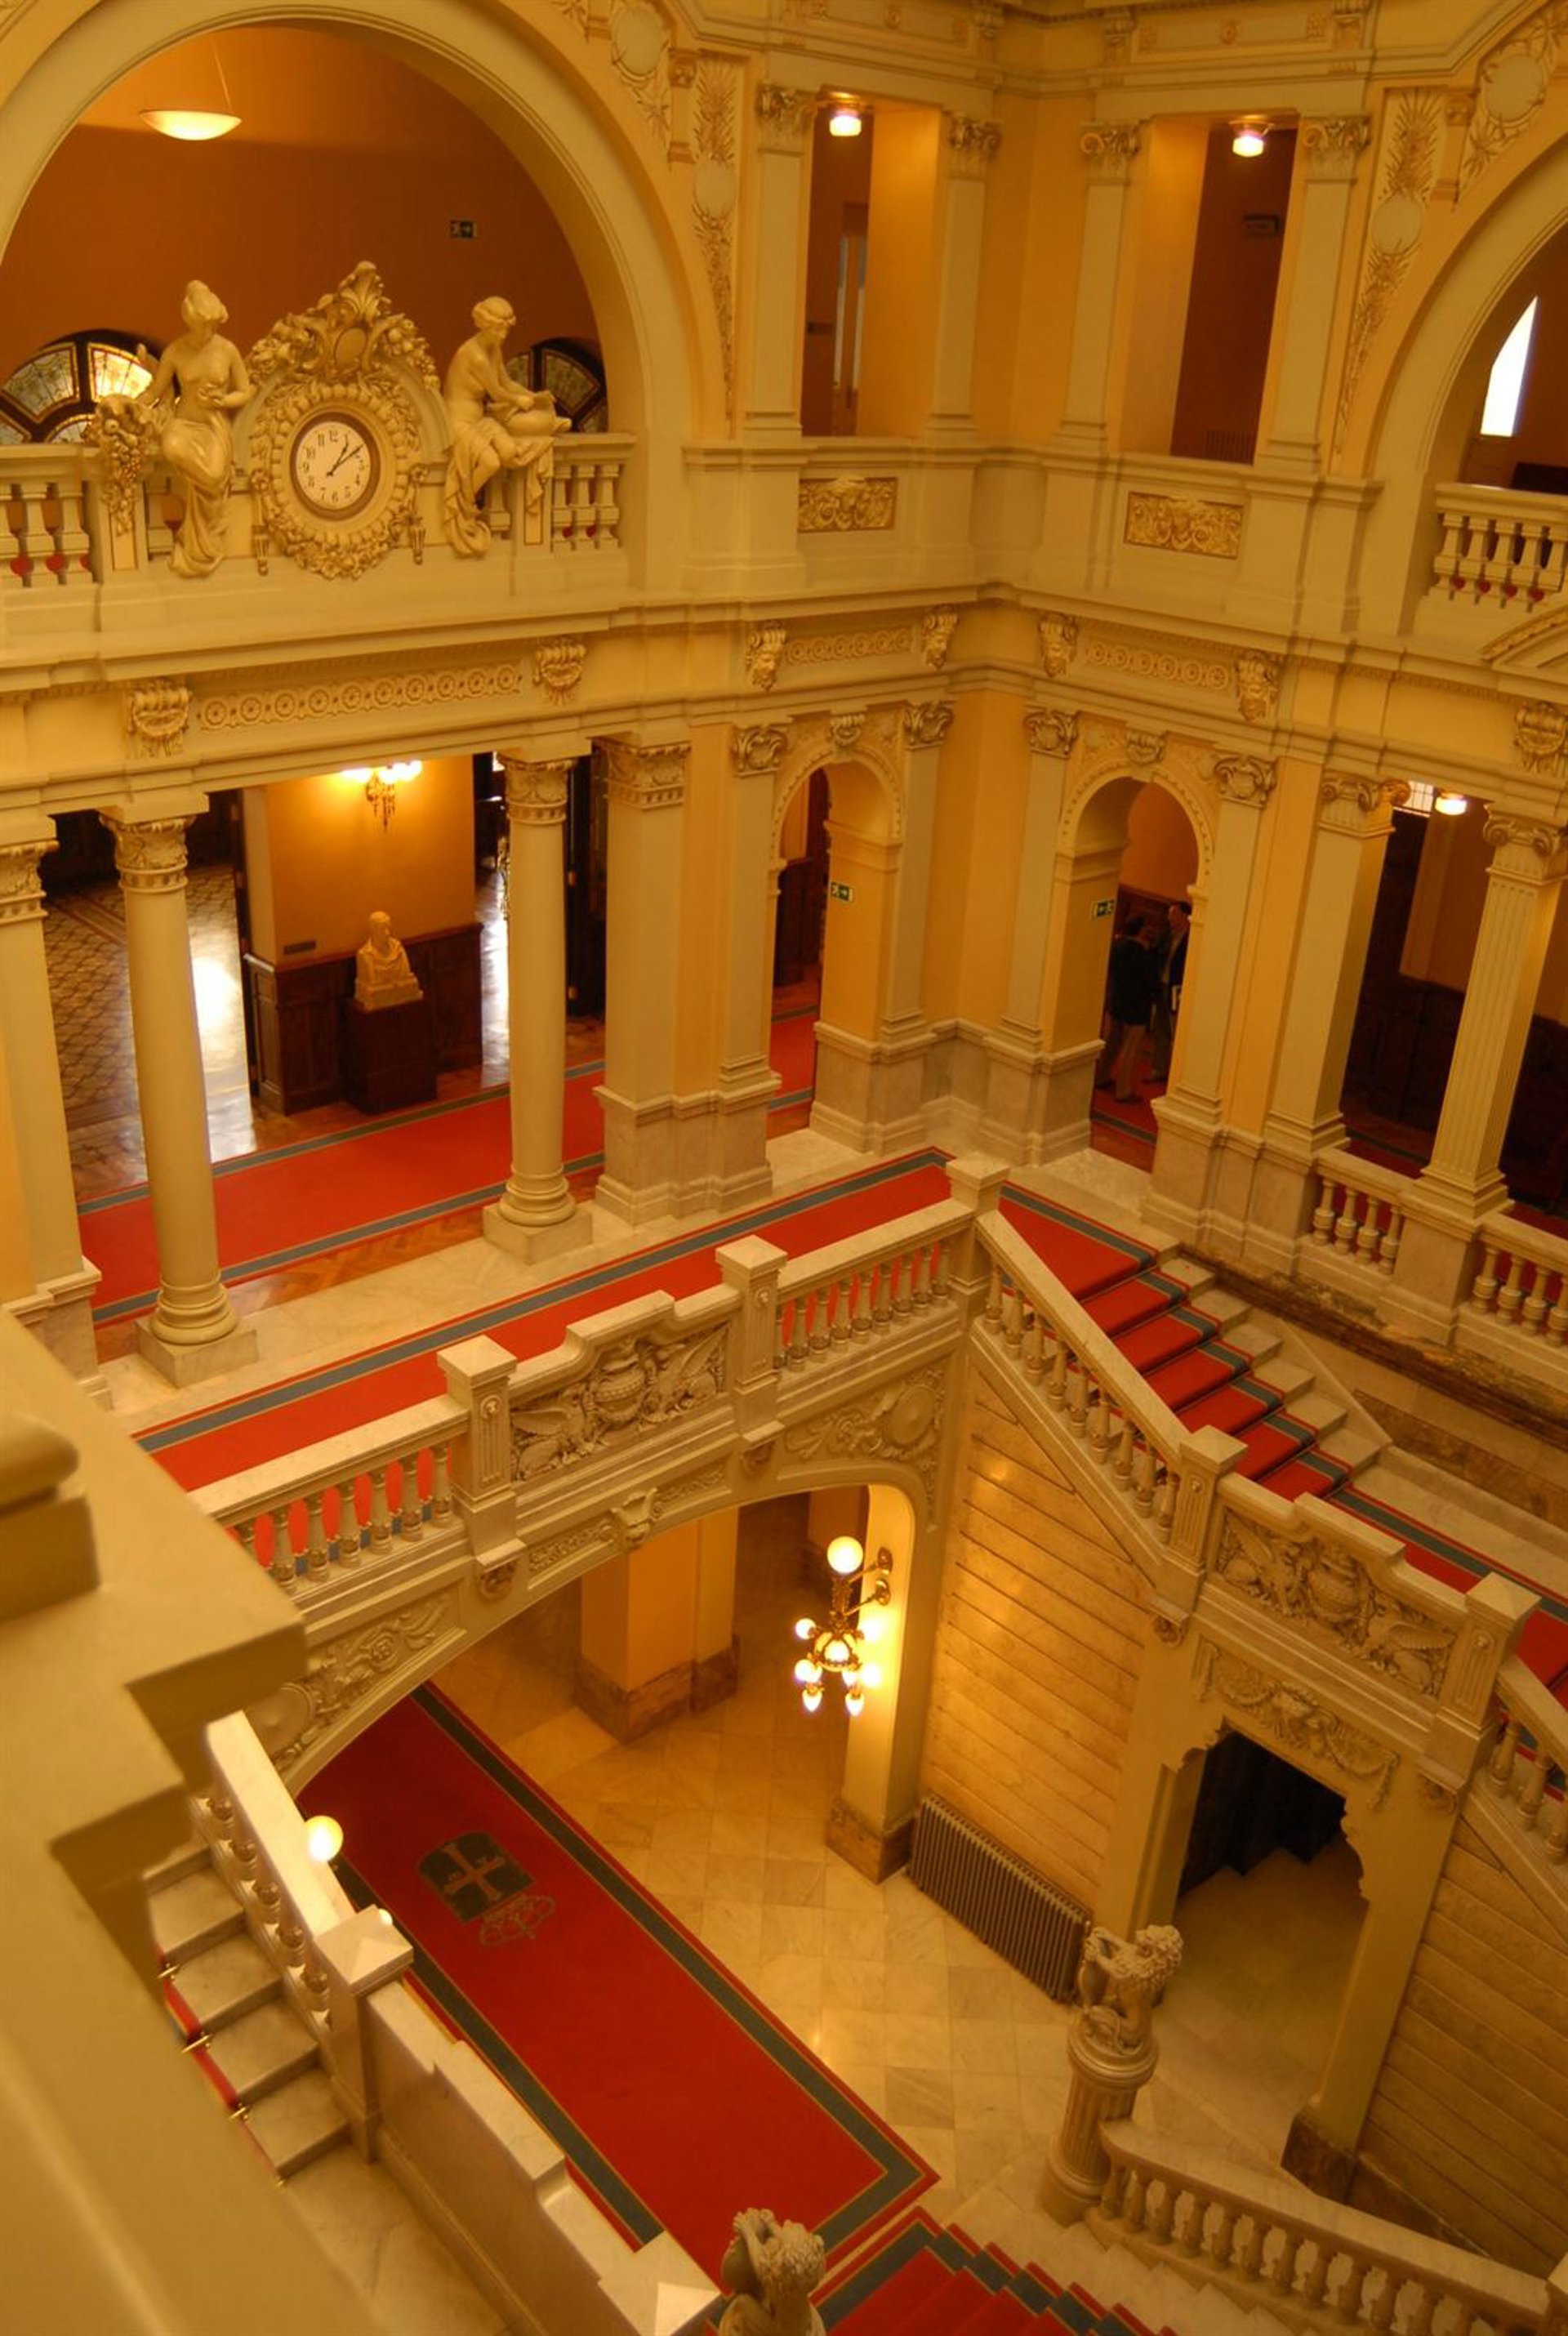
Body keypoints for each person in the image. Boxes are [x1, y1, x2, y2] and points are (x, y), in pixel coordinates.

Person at [98, 281, 251, 579]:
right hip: (183, 424)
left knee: (215, 474)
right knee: (171, 447)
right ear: (190, 321)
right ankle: (200, 539)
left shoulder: (227, 350)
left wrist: (223, 400)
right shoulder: (175, 352)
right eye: (203, 326)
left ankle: (205, 540)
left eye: (212, 326)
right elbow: (156, 391)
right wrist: (131, 406)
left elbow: (245, 391)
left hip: (213, 426)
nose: (208, 332)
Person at [442, 295, 570, 555]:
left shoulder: (494, 351)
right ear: (485, 325)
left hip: (479, 419)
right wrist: (519, 401)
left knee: (510, 451)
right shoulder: (474, 355)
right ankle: (465, 504)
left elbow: (507, 383)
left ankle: (547, 426)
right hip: (459, 421)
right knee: (491, 462)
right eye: (498, 330)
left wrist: (535, 397)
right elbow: (498, 393)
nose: (503, 335)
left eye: (506, 330)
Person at [1098, 914, 1160, 1103]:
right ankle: (1123, 1091)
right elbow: (1150, 981)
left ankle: (1101, 1077)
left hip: (1116, 1001)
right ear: (1141, 930)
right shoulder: (1144, 955)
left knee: (1110, 1044)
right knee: (1129, 1052)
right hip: (1136, 1008)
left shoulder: (1117, 946)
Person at [1148, 902, 1190, 1083]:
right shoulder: (1166, 936)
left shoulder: (1191, 940)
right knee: (1160, 1028)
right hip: (1162, 986)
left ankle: (1175, 1071)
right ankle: (1159, 1068)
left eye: (1173, 914)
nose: (1169, 918)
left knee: (1176, 1029)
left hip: (1178, 989)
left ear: (1184, 916)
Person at [354, 911, 422, 1010]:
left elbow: (407, 977)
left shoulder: (398, 950)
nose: (387, 933)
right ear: (373, 930)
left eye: (388, 928)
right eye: (383, 929)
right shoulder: (365, 956)